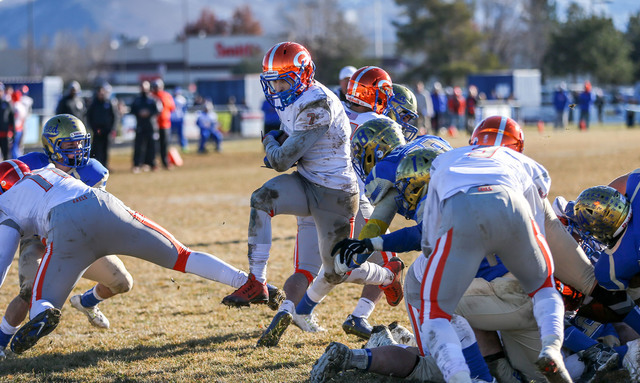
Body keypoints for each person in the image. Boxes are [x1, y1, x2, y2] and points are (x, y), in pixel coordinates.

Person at [221, 42, 403, 349]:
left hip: (336, 194)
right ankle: (257, 281)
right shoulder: (293, 96)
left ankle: (386, 276)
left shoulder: (318, 104)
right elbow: (288, 149)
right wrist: (279, 142)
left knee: (335, 271)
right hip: (307, 182)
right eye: (273, 80)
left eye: (284, 79)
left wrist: (269, 141)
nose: (277, 87)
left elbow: (280, 159)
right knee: (261, 198)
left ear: (304, 75)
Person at [0, 159, 282, 356]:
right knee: (182, 255)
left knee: (42, 299)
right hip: (100, 204)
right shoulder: (46, 172)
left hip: (66, 228)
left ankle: (42, 312)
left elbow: (4, 254)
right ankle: (252, 284)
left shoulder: (7, 201)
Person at [0, 114, 134, 358]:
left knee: (122, 282)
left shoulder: (93, 171)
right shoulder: (30, 164)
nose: (79, 149)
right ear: (52, 145)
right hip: (37, 237)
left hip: (75, 240)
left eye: (81, 143)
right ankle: (1, 343)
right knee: (30, 292)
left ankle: (87, 302)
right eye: (70, 144)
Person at [287, 67, 403, 342]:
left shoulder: (334, 109)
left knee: (326, 264)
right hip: (354, 199)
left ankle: (300, 310)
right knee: (390, 265)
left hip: (315, 195)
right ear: (377, 94)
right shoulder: (382, 123)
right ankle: (360, 315)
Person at [87, 83, 118, 169]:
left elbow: (114, 116)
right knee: (95, 149)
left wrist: (112, 129)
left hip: (106, 130)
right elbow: (89, 116)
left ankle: (105, 165)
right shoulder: (94, 104)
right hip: (96, 130)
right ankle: (94, 166)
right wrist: (93, 128)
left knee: (105, 149)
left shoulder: (109, 103)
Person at [130, 81, 160, 173]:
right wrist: (140, 113)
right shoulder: (137, 100)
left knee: (151, 145)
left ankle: (151, 163)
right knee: (138, 145)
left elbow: (158, 110)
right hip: (140, 125)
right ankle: (137, 164)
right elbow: (132, 110)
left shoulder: (153, 99)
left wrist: (148, 113)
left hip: (150, 125)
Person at [150, 79, 175, 170]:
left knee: (164, 145)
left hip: (164, 124)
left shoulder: (166, 96)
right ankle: (153, 163)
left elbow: (172, 107)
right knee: (153, 146)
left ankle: (165, 162)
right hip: (153, 125)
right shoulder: (151, 96)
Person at [170, 87, 189, 153]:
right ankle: (167, 146)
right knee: (169, 134)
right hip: (172, 118)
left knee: (181, 134)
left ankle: (184, 146)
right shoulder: (171, 99)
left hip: (179, 119)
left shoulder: (182, 99)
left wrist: (183, 118)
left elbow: (184, 110)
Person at [0, 83, 14, 161]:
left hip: (4, 134)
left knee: (6, 156)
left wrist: (13, 132)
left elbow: (12, 120)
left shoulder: (6, 104)